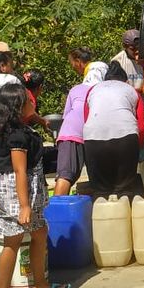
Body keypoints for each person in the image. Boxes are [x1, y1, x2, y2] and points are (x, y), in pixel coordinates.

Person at [0, 84, 70, 288]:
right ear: (18, 107)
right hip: (16, 193)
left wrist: (38, 119)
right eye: (28, 101)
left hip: (26, 191)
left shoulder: (17, 127)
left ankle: (41, 285)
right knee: (12, 240)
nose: (32, 103)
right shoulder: (16, 135)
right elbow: (19, 171)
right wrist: (24, 206)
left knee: (40, 232)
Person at [83, 61, 144, 198]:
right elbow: (141, 126)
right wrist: (138, 147)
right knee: (124, 189)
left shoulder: (93, 90)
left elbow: (86, 118)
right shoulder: (131, 90)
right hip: (126, 139)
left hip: (93, 140)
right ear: (125, 80)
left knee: (100, 190)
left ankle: (102, 215)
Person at [53, 64, 107, 197]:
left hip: (70, 134)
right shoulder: (103, 90)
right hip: (93, 136)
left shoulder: (75, 89)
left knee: (66, 175)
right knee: (99, 179)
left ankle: (57, 212)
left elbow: (66, 116)